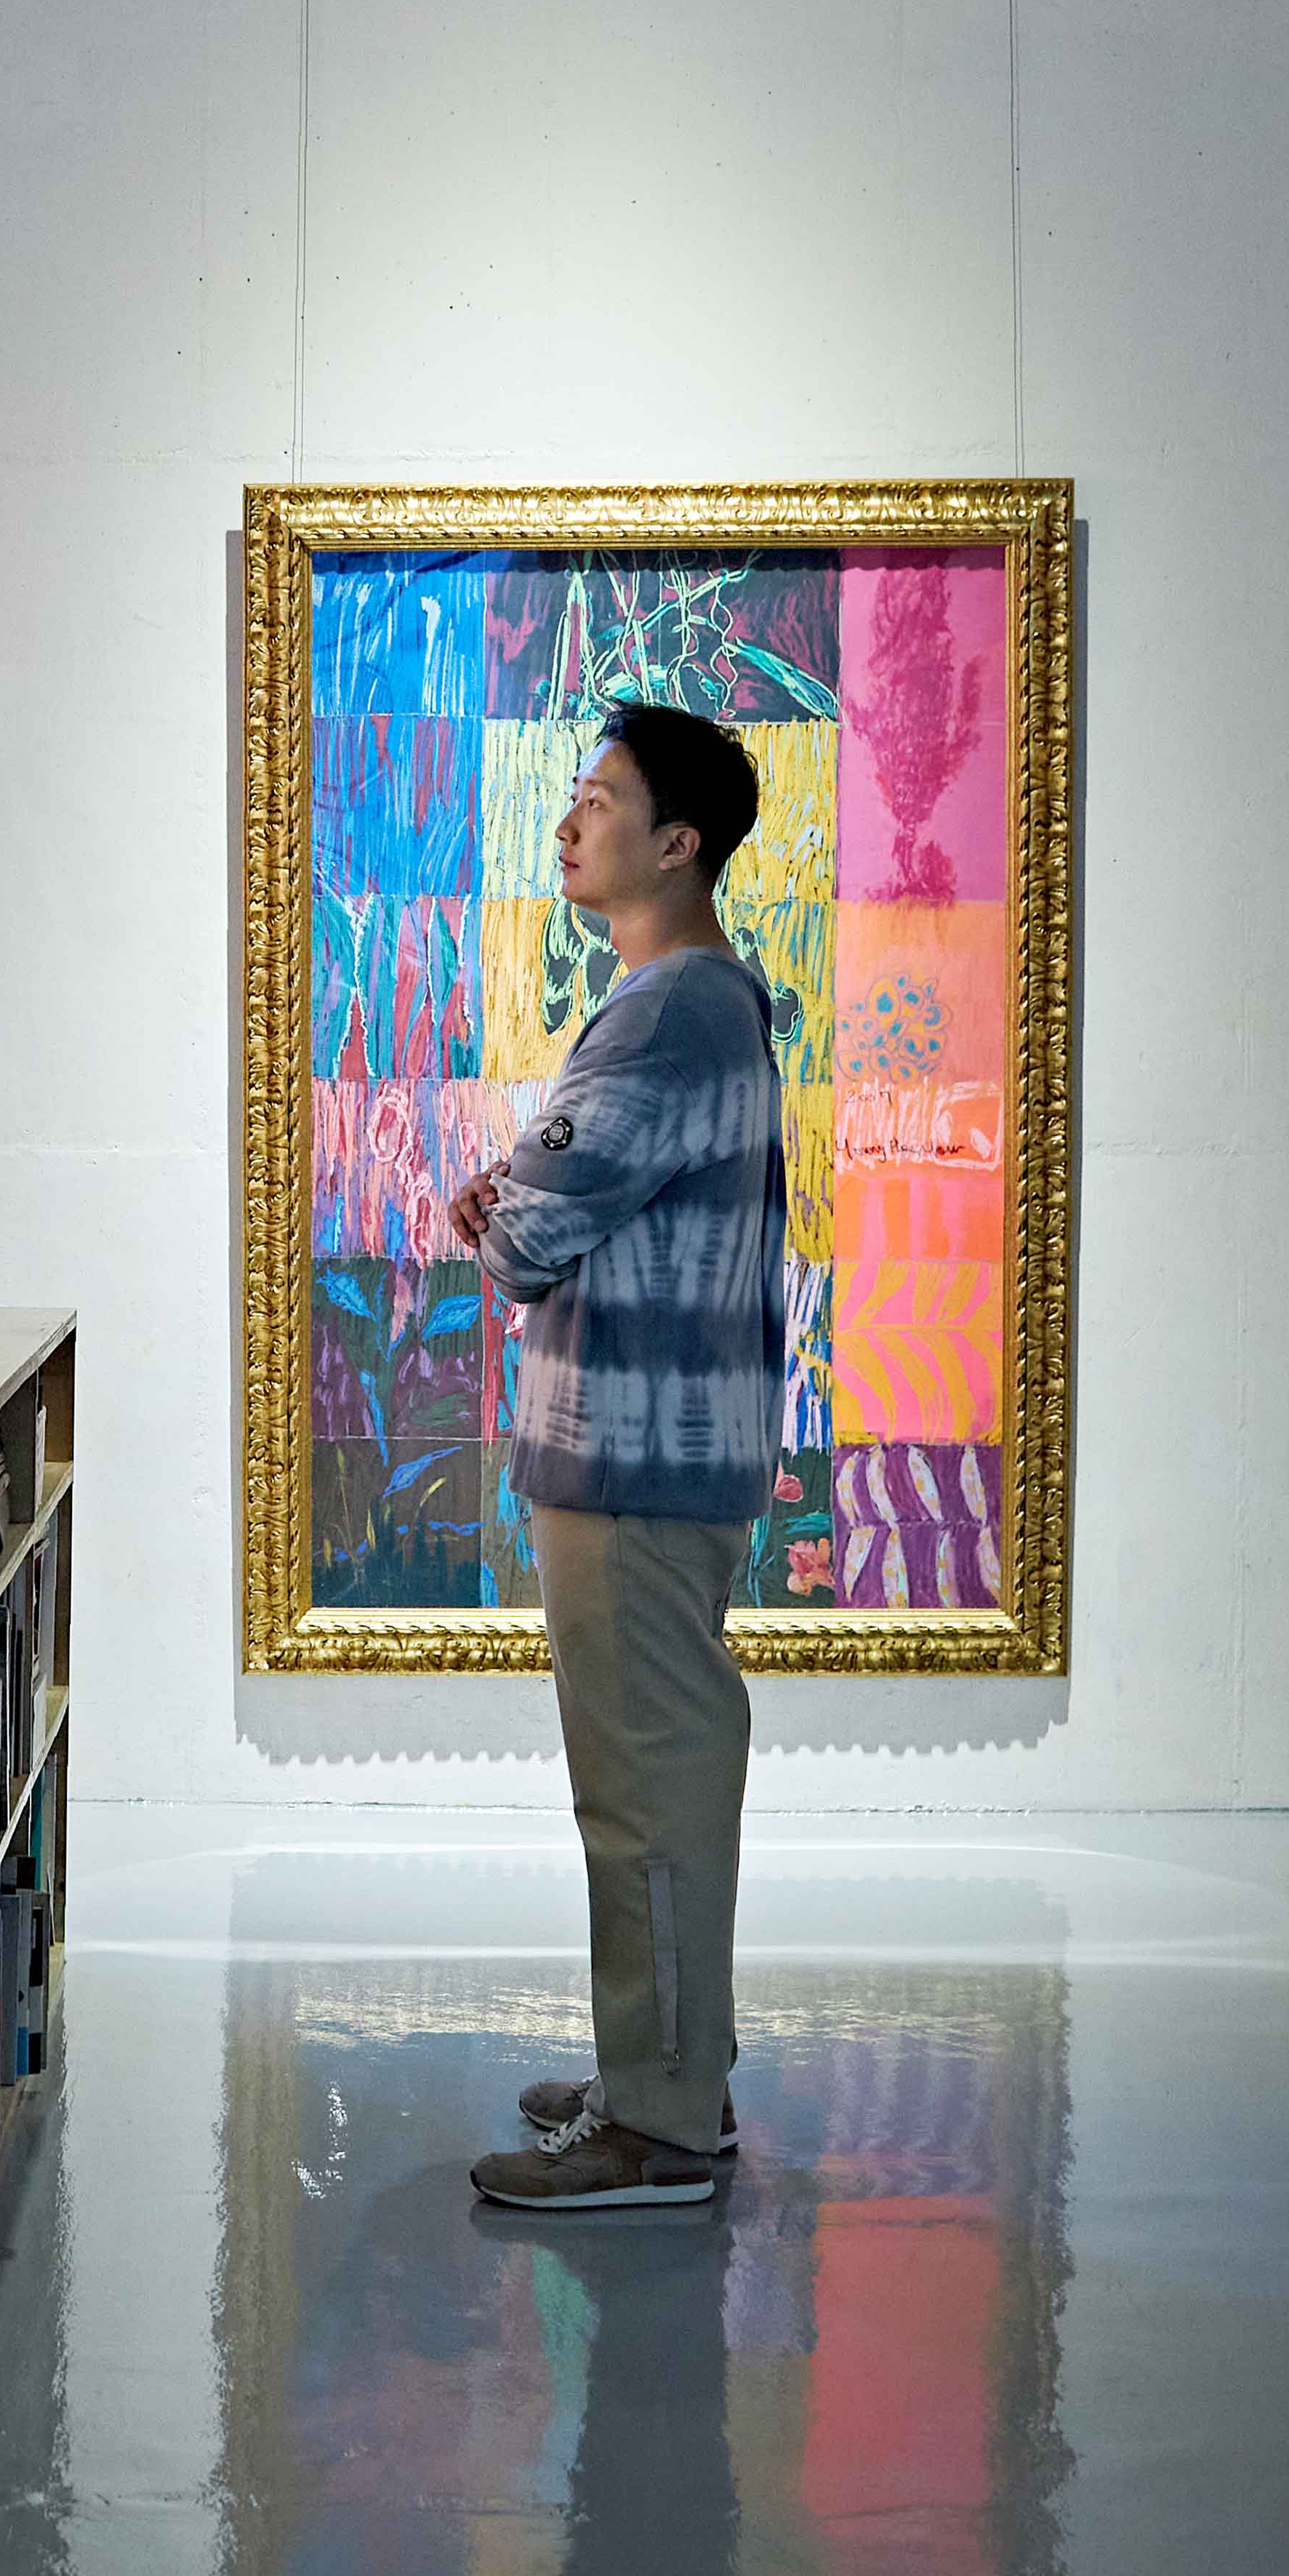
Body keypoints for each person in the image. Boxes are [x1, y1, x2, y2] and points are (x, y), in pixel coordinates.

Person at [443, 701, 790, 2213]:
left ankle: (660, 2130)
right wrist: (525, 1198)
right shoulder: (698, 1002)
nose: (570, 821)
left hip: (634, 1462)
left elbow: (527, 1230)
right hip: (653, 1456)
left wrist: (507, 1205)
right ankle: (669, 2076)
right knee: (656, 1782)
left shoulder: (668, 1011)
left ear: (679, 842)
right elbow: (549, 1202)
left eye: (599, 799)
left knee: (643, 1796)